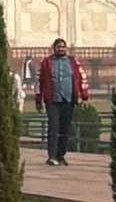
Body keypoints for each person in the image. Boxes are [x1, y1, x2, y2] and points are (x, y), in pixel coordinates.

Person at [37, 36, 87, 165]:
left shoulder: (73, 62)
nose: (61, 49)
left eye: (63, 47)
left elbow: (82, 79)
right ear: (54, 48)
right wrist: (38, 99)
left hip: (68, 100)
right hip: (52, 100)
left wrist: (84, 96)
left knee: (65, 130)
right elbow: (39, 81)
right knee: (54, 128)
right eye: (58, 47)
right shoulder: (47, 63)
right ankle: (52, 156)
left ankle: (61, 155)